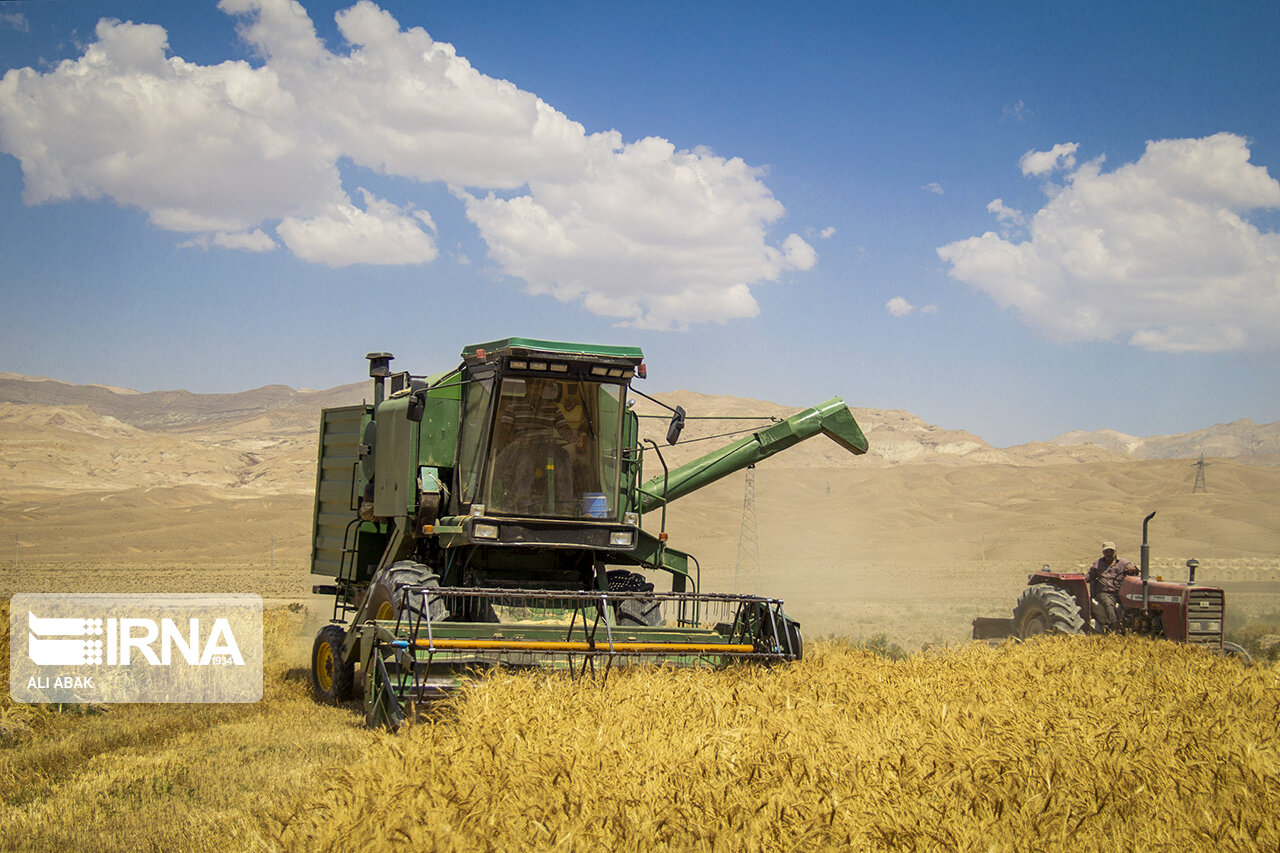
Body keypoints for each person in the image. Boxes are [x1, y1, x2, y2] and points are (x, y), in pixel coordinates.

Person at [1087, 541, 1138, 633]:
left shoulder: (1122, 562)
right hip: (1104, 592)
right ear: (1103, 552)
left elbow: (1132, 567)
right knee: (1109, 604)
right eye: (1106, 551)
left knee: (1131, 603)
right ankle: (1115, 627)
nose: (1109, 554)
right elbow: (1089, 576)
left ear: (1115, 551)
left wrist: (1132, 568)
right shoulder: (1097, 564)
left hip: (1120, 591)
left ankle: (1132, 626)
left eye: (1111, 551)